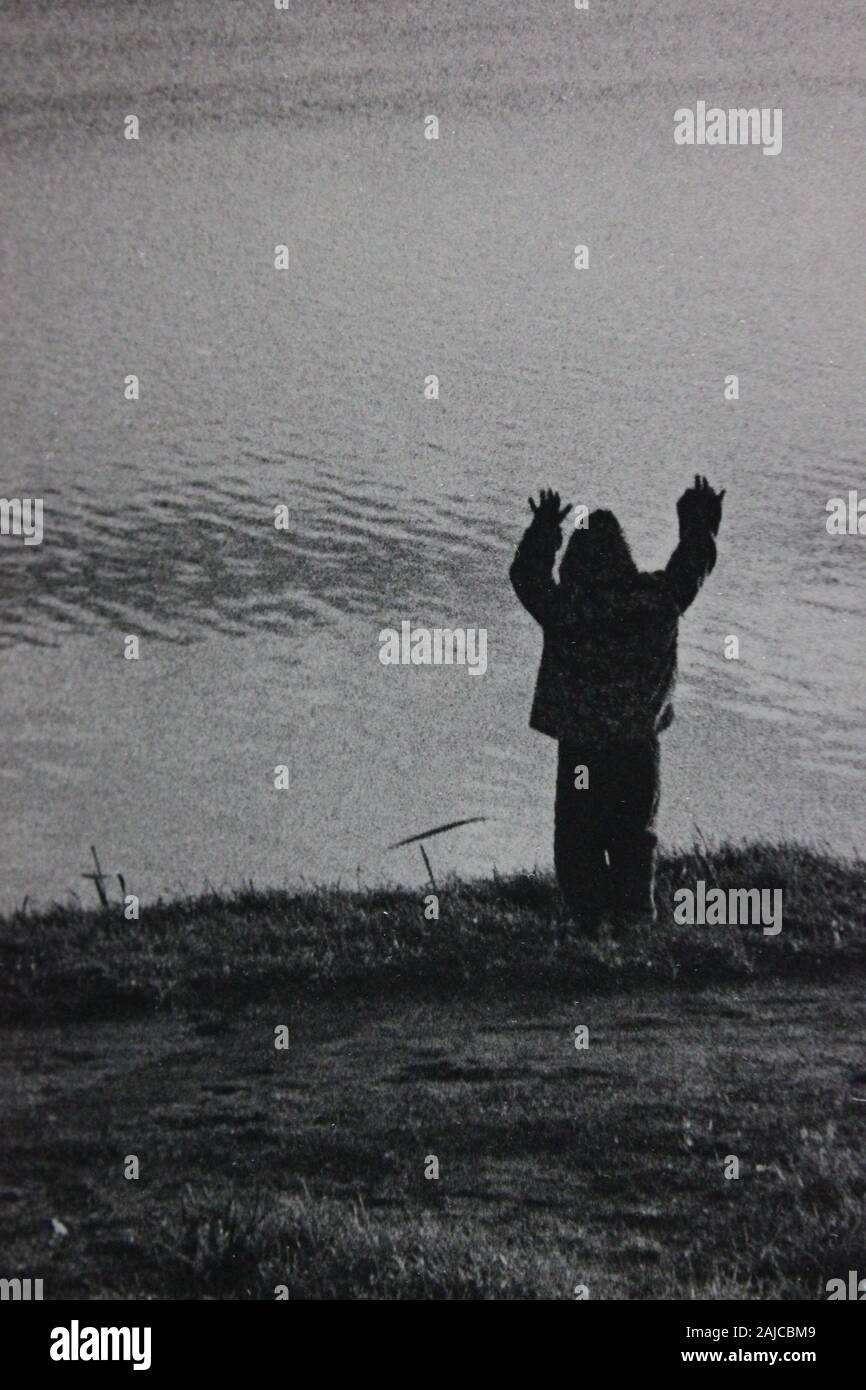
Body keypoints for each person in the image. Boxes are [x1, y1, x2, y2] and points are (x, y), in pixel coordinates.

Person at [509, 476, 724, 933]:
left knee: (577, 837)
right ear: (624, 555)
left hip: (582, 755)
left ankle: (590, 923)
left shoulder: (566, 607)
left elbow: (526, 577)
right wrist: (698, 520)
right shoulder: (657, 599)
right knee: (633, 836)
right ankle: (634, 920)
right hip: (635, 751)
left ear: (575, 562)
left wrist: (545, 529)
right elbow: (693, 562)